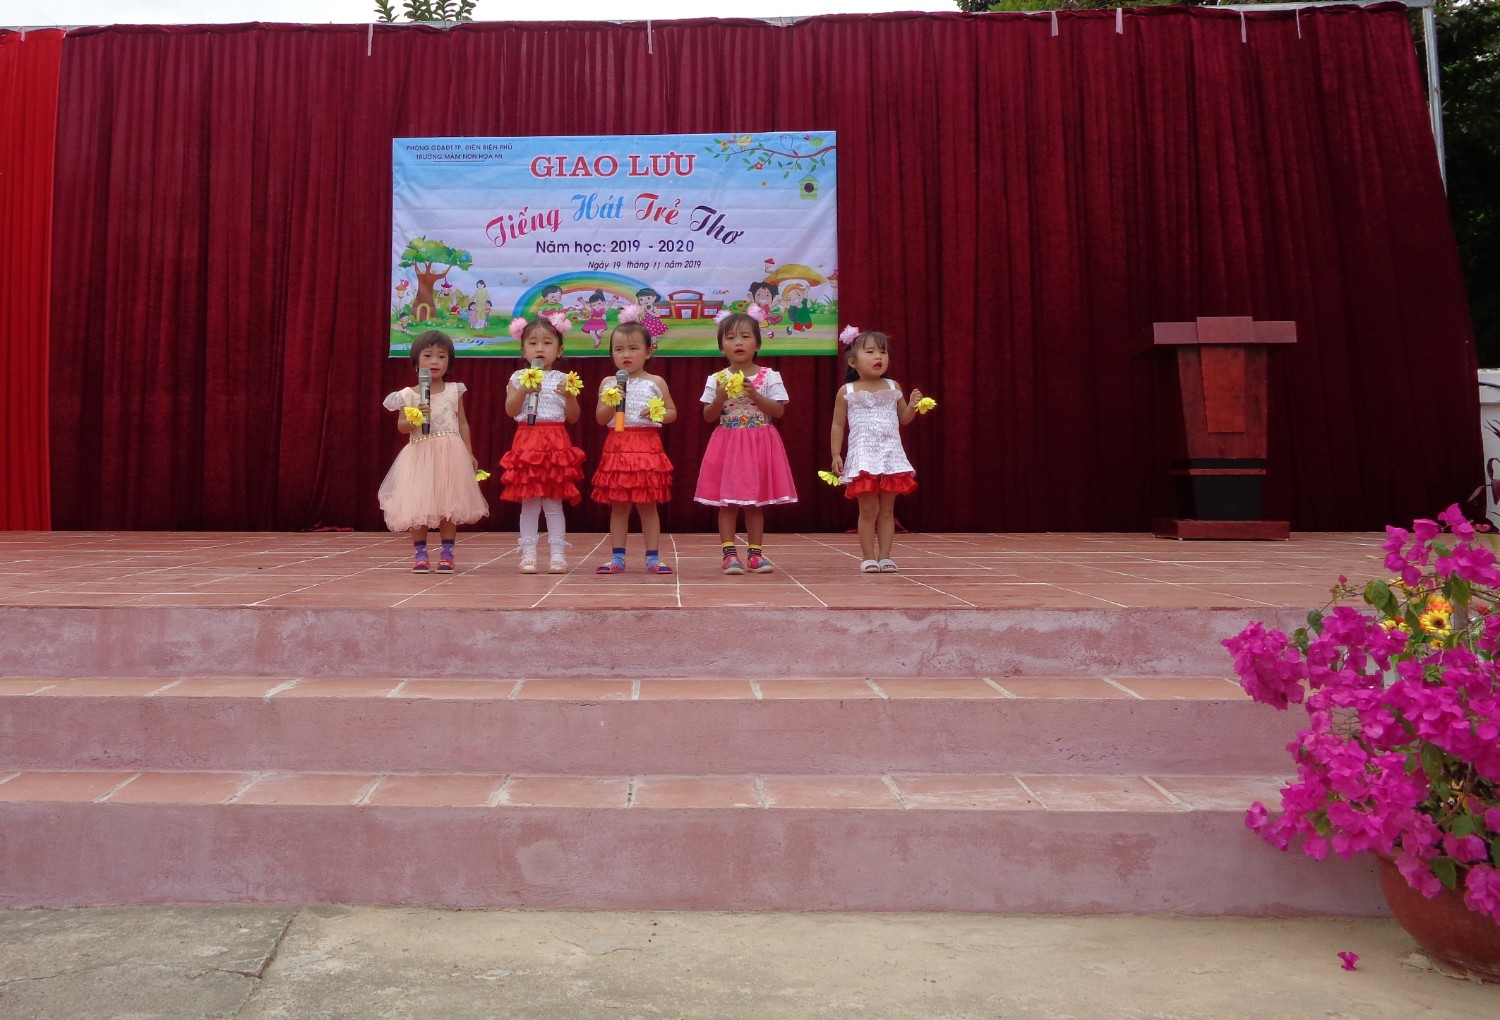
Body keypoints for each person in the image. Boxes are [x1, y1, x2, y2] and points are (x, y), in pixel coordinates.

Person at [694, 312, 797, 574]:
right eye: (730, 338)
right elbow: (708, 416)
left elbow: (778, 411)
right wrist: (719, 398)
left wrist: (757, 396)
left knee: (754, 502)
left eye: (745, 336)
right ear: (721, 346)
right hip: (728, 443)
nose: (738, 342)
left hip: (759, 442)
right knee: (728, 503)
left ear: (757, 344)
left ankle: (755, 554)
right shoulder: (716, 379)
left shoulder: (769, 376)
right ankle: (729, 555)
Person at [378, 330, 489, 572]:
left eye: (441, 356)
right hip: (420, 454)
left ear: (449, 362)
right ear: (416, 361)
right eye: (428, 355)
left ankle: (447, 553)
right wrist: (415, 418)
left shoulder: (454, 390)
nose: (435, 361)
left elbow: (462, 423)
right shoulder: (408, 394)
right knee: (419, 505)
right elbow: (401, 426)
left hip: (450, 454)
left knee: (448, 504)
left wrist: (469, 453)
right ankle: (420, 554)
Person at [828, 329, 925, 574]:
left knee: (887, 510)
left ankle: (885, 556)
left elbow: (904, 418)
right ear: (853, 362)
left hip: (891, 455)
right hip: (863, 457)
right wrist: (836, 454)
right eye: (870, 352)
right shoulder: (847, 391)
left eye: (883, 352)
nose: (878, 356)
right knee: (868, 509)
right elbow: (838, 424)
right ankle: (868, 556)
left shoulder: (893, 386)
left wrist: (913, 406)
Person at [591, 320, 677, 574]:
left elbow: (672, 412)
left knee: (648, 504)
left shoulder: (655, 382)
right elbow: (600, 418)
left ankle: (653, 557)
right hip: (618, 445)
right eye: (618, 349)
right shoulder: (609, 382)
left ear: (648, 352)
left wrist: (657, 413)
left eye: (633, 348)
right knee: (619, 505)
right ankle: (617, 557)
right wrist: (612, 400)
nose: (625, 354)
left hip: (646, 446)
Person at [500, 315, 584, 573]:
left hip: (555, 442)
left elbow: (573, 417)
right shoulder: (518, 377)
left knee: (553, 502)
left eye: (547, 343)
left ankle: (558, 553)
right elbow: (510, 410)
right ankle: (528, 553)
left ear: (559, 350)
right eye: (533, 343)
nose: (540, 348)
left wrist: (570, 396)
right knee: (529, 502)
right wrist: (524, 390)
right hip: (527, 440)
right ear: (523, 350)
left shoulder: (564, 378)